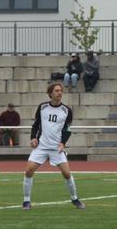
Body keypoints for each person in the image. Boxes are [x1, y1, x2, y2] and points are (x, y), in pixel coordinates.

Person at [22, 83, 84, 211]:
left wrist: (63, 143)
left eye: (61, 91)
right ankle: (26, 201)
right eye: (56, 91)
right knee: (28, 171)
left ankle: (75, 199)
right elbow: (36, 125)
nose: (60, 93)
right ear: (50, 93)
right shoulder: (42, 107)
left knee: (67, 173)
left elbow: (67, 129)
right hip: (42, 146)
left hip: (56, 147)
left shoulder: (67, 111)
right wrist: (33, 137)